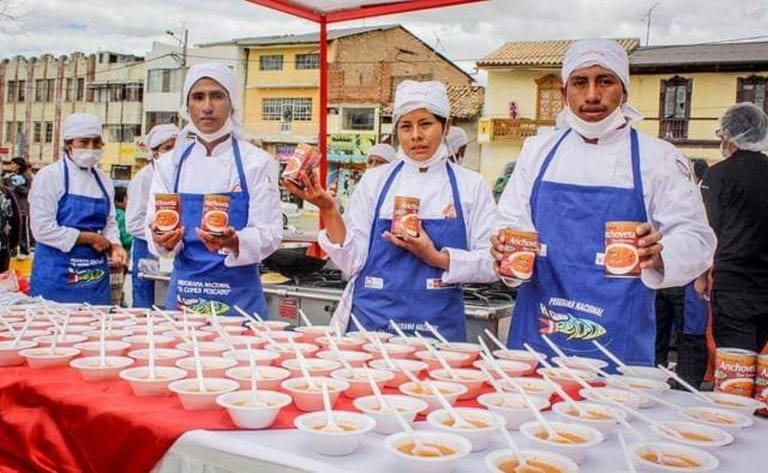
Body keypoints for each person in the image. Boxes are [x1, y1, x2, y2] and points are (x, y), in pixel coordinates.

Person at [494, 39, 716, 366]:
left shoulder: (658, 158)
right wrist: (505, 253)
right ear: (564, 93)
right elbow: (511, 223)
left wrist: (659, 254)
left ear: (623, 91)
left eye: (605, 81)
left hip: (618, 335)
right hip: (538, 330)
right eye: (580, 82)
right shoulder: (537, 151)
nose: (593, 95)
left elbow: (697, 238)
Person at [284, 80, 498, 340]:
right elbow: (353, 261)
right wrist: (329, 210)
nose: (416, 135)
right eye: (406, 126)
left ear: (446, 126)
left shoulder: (471, 186)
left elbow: (491, 263)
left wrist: (436, 258)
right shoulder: (376, 181)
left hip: (438, 331)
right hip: (371, 326)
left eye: (426, 124)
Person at [147, 63, 282, 316]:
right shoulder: (169, 165)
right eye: (198, 97)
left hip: (238, 302)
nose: (207, 107)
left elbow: (270, 233)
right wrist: (162, 241)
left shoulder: (257, 162)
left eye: (217, 96)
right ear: (187, 107)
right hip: (184, 300)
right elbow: (154, 231)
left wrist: (236, 241)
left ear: (232, 104)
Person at [29, 113, 128, 304]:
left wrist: (115, 246)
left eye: (96, 143)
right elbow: (42, 229)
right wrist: (88, 238)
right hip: (57, 276)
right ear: (69, 144)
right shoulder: (49, 176)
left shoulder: (104, 180)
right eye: (84, 142)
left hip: (94, 278)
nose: (91, 148)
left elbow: (109, 221)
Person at [700, 102, 768, 353]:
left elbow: (709, 230)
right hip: (764, 285)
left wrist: (701, 276)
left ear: (730, 134)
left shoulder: (718, 175)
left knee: (735, 362)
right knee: (759, 360)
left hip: (732, 283)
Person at [655, 158, 710, 389]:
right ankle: (651, 381)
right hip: (657, 278)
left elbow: (706, 240)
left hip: (688, 280)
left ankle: (687, 391)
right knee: (656, 334)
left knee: (690, 336)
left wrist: (702, 275)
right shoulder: (653, 193)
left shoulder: (702, 197)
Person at [127, 123, 178, 308]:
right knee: (146, 311)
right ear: (155, 152)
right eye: (167, 148)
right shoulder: (143, 179)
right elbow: (132, 224)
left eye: (176, 147)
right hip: (146, 256)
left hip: (174, 256)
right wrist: (160, 233)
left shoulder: (180, 176)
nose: (173, 152)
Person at [5, 157, 32, 254]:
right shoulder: (11, 177)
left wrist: (16, 186)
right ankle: (13, 250)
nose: (11, 166)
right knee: (12, 230)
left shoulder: (26, 177)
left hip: (23, 208)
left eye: (13, 163)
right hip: (12, 209)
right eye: (11, 163)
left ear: (19, 165)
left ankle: (25, 251)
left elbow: (28, 192)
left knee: (24, 231)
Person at [114, 186, 132, 253]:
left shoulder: (112, 213)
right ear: (117, 202)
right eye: (126, 199)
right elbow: (126, 239)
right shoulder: (121, 215)